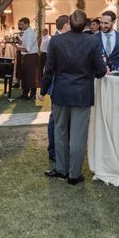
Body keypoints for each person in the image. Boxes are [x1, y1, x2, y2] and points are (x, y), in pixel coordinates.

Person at [40, 10, 106, 185]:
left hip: (61, 93)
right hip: (82, 94)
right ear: (85, 24)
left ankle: (62, 170)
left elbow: (49, 69)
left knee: (60, 132)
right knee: (78, 135)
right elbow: (101, 71)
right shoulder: (92, 41)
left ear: (69, 22)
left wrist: (42, 90)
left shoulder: (57, 40)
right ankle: (74, 174)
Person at [45, 15, 70, 162]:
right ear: (66, 25)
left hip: (62, 85)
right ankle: (54, 150)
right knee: (55, 119)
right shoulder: (56, 40)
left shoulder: (58, 39)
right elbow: (50, 67)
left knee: (59, 119)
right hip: (57, 85)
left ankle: (58, 149)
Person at [16, 17, 40, 100]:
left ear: (27, 24)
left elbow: (28, 49)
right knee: (25, 75)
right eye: (20, 24)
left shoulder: (30, 33)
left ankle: (33, 95)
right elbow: (23, 43)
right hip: (27, 57)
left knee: (31, 76)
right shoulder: (26, 32)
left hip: (31, 56)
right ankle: (25, 94)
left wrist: (17, 48)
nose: (21, 26)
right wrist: (18, 42)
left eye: (22, 24)